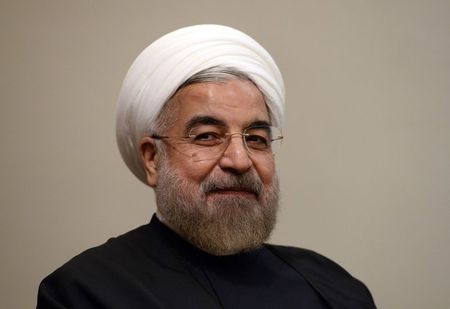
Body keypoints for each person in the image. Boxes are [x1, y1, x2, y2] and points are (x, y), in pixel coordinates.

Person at [37, 24, 376, 309]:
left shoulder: (333, 286)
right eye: (207, 136)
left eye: (256, 139)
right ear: (153, 158)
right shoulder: (86, 291)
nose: (239, 161)